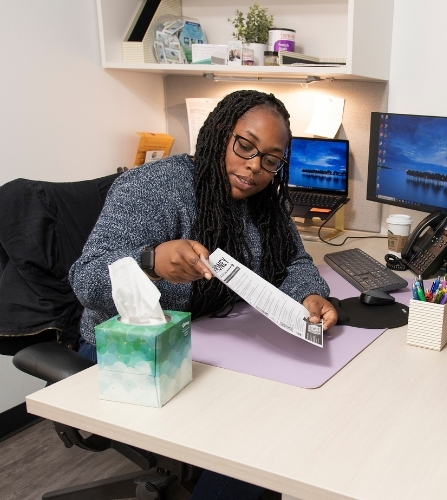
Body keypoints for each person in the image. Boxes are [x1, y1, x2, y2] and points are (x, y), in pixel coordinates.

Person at [69, 89, 338, 500]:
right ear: (217, 132)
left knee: (289, 412)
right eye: (244, 146)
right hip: (130, 349)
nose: (253, 168)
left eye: (270, 161)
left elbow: (295, 263)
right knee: (255, 433)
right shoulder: (154, 187)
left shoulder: (266, 202)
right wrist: (149, 260)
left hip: (209, 340)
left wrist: (309, 296)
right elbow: (86, 278)